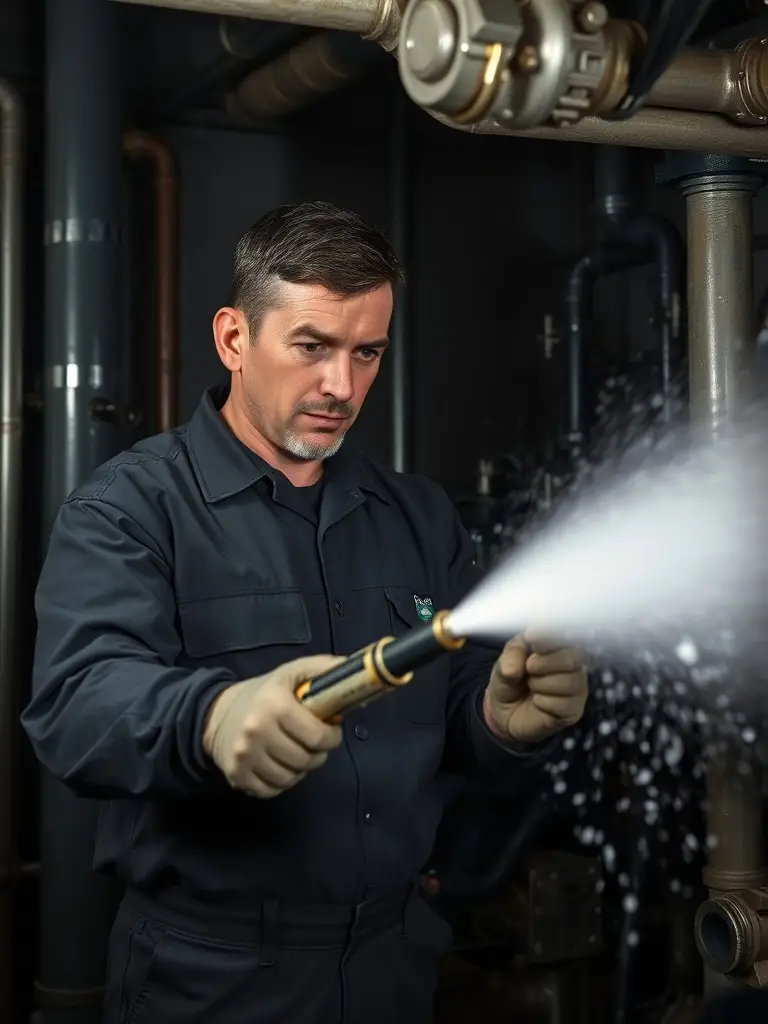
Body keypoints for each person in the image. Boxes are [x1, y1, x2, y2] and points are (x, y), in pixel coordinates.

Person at [22, 201, 589, 1024]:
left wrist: (502, 718)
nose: (342, 386)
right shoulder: (128, 509)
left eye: (367, 353)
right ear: (233, 339)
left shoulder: (420, 517)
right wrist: (210, 718)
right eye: (313, 347)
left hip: (396, 963)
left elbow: (461, 708)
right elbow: (76, 704)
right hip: (209, 978)